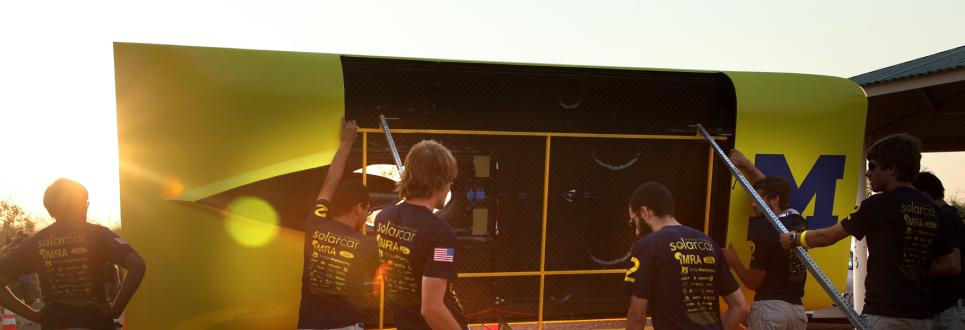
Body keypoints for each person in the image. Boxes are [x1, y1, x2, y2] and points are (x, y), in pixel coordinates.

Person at [779, 133, 959, 329]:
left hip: (885, 314)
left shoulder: (877, 205)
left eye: (872, 166)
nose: (867, 173)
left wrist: (796, 238)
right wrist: (912, 265)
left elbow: (827, 236)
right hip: (923, 317)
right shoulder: (933, 210)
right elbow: (950, 265)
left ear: (891, 169)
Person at [0, 178, 146, 329]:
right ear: (82, 205)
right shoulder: (99, 235)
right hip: (95, 320)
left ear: (51, 210)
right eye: (86, 202)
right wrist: (116, 310)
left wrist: (34, 315)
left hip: (55, 321)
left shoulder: (35, 243)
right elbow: (138, 264)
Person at [624, 182, 749, 330]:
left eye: (633, 222)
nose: (636, 232)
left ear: (645, 211)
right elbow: (740, 307)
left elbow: (637, 316)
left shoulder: (648, 245)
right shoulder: (708, 243)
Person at [375, 140, 468, 330]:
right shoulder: (442, 235)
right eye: (450, 181)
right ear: (439, 181)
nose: (450, 188)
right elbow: (431, 308)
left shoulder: (384, 218)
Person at [297, 119, 379, 330]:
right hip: (345, 326)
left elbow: (329, 184)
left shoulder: (315, 222)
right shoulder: (366, 246)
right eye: (367, 208)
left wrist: (346, 144)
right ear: (358, 207)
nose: (367, 213)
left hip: (309, 325)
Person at [722, 176, 808, 330]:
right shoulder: (798, 221)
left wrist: (733, 261)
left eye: (757, 198)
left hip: (770, 310)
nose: (753, 204)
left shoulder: (764, 230)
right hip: (797, 312)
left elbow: (753, 282)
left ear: (774, 200)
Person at [914, 171, 965, 330]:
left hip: (948, 310)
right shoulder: (949, 215)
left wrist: (913, 268)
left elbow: (953, 265)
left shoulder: (945, 218)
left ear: (923, 193)